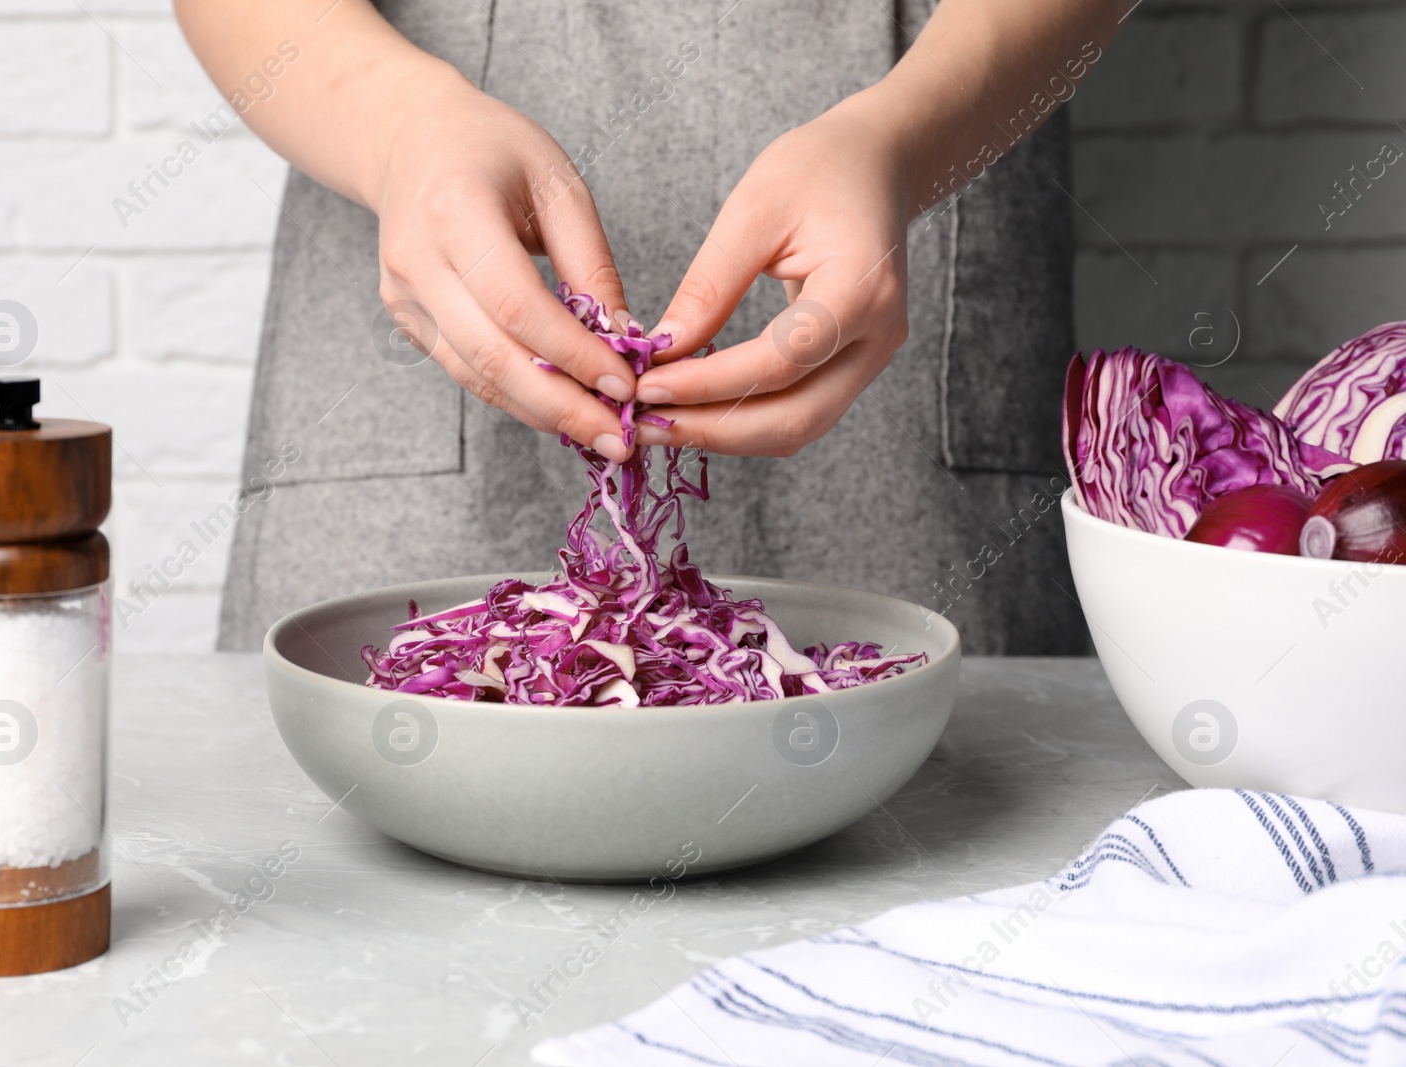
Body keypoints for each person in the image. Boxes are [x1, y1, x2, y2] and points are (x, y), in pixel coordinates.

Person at [176, 0, 1127, 654]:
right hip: (411, 214)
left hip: (925, 176)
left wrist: (904, 139)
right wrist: (395, 128)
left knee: (939, 852)